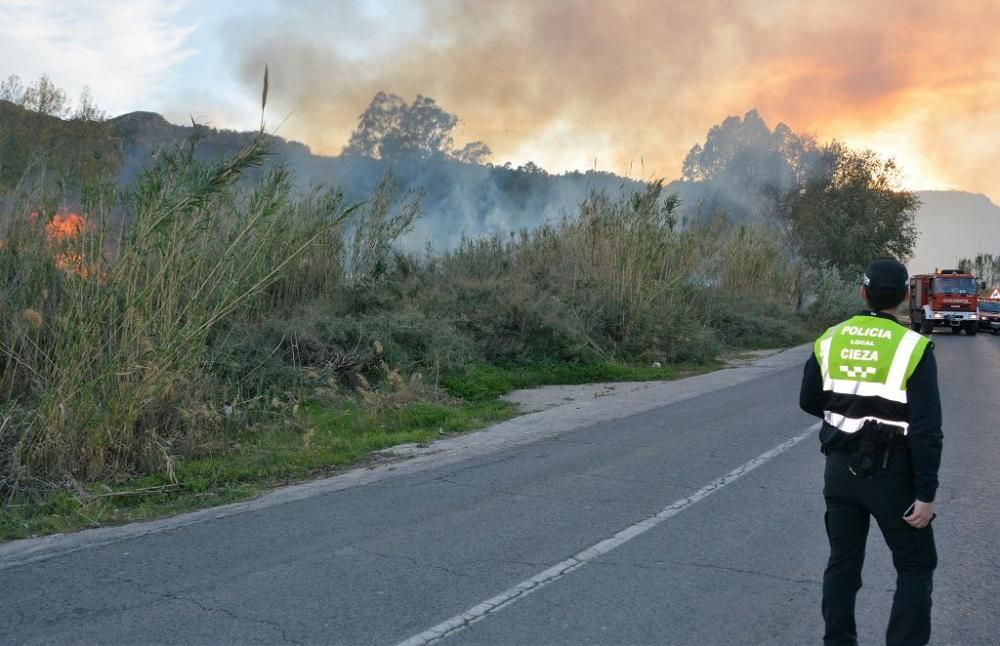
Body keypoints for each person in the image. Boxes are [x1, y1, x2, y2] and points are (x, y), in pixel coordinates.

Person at [799, 257, 942, 646]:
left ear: (862, 292)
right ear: (902, 298)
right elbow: (927, 430)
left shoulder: (831, 337)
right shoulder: (913, 347)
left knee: (843, 565)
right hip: (892, 474)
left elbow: (809, 399)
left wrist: (847, 411)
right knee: (915, 565)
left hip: (839, 472)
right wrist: (925, 494)